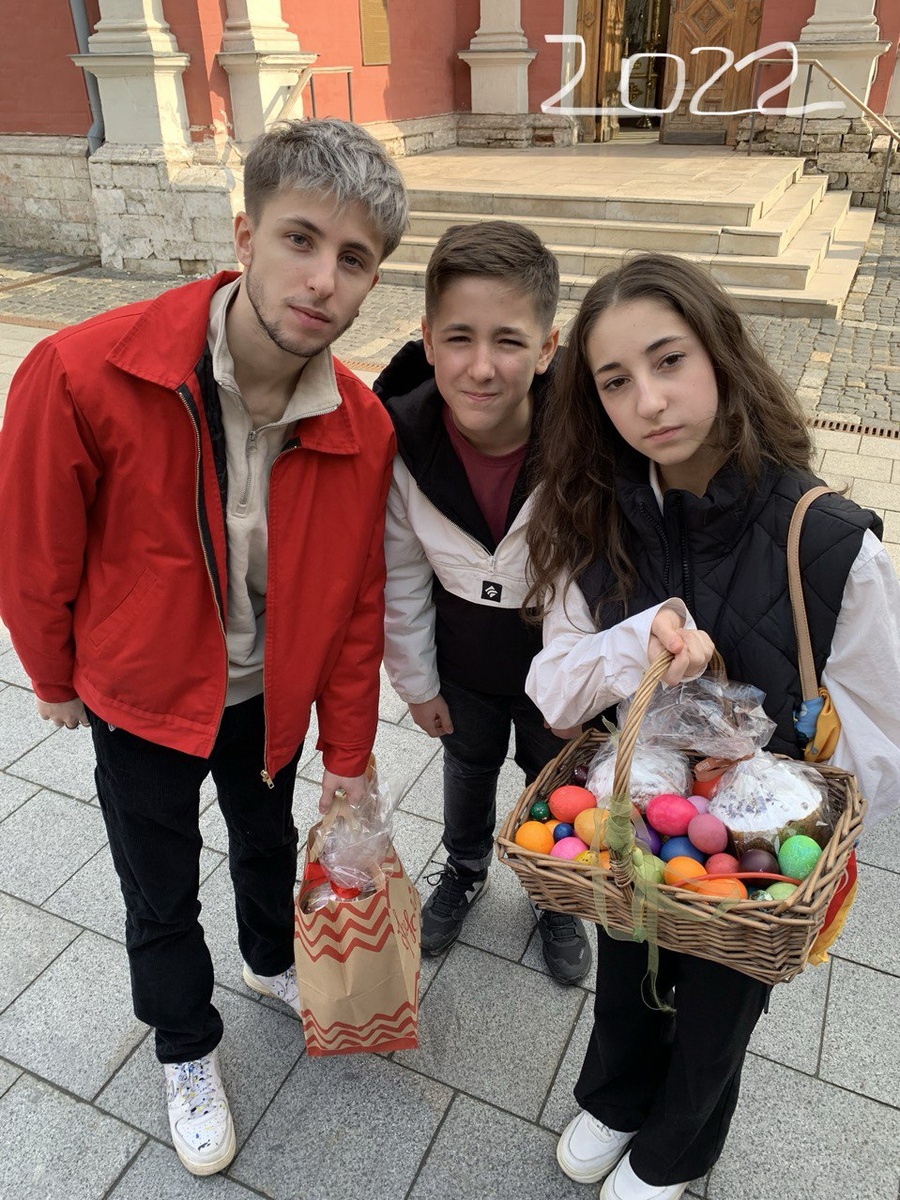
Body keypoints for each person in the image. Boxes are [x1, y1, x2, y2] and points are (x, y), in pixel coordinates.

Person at [0, 118, 408, 1177]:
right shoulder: (83, 370)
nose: (321, 280)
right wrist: (51, 674)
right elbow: (34, 544)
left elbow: (357, 607)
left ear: (372, 283)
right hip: (139, 697)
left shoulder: (361, 426)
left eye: (353, 259)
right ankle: (184, 1045)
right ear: (245, 234)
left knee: (266, 842)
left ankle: (270, 956)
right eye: (300, 239)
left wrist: (350, 756)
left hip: (267, 700)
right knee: (160, 888)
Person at [523, 253, 900, 1200]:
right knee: (627, 957)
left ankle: (674, 1151)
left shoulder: (829, 541)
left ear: (721, 355)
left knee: (722, 1005)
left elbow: (879, 740)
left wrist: (768, 810)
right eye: (615, 381)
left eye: (669, 360)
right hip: (642, 811)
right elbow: (555, 693)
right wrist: (633, 642)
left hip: (763, 848)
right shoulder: (594, 519)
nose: (649, 401)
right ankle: (615, 1099)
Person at [374, 220, 591, 984]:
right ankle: (465, 868)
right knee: (468, 766)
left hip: (553, 659)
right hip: (462, 659)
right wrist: (417, 683)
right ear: (428, 341)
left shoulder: (583, 445)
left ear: (547, 347)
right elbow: (402, 573)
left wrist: (580, 686)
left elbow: (592, 574)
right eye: (459, 338)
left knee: (553, 777)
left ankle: (553, 888)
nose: (482, 367)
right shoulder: (403, 445)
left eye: (508, 341)